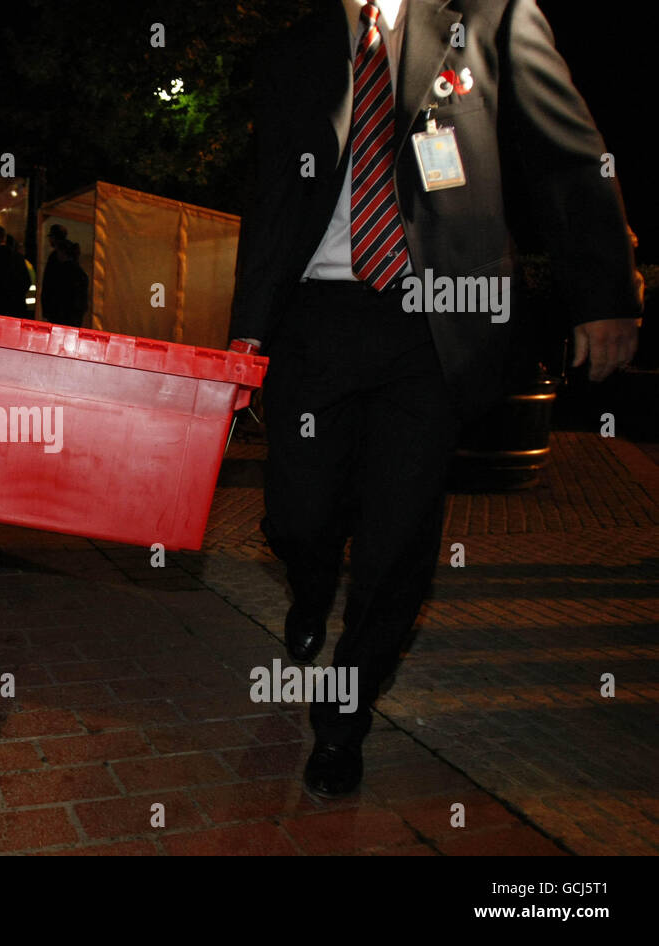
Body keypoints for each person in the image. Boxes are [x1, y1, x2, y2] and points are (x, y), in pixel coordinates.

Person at [230, 0, 641, 796]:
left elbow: (567, 153)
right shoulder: (297, 50)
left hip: (433, 326)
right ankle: (310, 585)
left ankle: (344, 718)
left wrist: (605, 290)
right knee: (298, 514)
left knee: (399, 538)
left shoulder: (493, 18)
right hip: (316, 319)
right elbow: (272, 196)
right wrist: (247, 332)